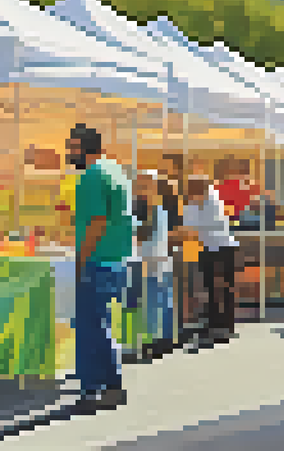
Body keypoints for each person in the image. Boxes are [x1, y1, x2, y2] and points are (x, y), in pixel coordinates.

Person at [69, 124, 134, 412]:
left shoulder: (92, 176)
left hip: (97, 260)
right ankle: (109, 387)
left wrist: (81, 259)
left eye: (72, 147)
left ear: (84, 147)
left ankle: (97, 389)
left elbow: (97, 221)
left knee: (90, 327)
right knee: (101, 324)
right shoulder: (115, 171)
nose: (70, 154)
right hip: (116, 258)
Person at [182, 173, 236, 346]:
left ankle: (225, 326)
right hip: (207, 248)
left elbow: (197, 225)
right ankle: (213, 324)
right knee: (211, 288)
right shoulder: (195, 203)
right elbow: (190, 226)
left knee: (223, 288)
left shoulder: (213, 201)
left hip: (222, 248)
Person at [132, 170, 176, 360]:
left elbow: (145, 235)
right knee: (155, 301)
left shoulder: (156, 208)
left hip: (155, 260)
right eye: (139, 183)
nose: (140, 187)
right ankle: (157, 340)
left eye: (145, 183)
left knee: (158, 301)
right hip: (149, 260)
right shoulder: (142, 207)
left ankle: (161, 340)